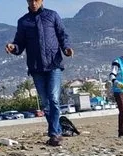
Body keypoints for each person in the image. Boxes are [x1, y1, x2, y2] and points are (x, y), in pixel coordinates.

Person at [5, 0, 73, 146]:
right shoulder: (23, 21)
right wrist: (13, 47)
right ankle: (57, 131)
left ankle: (54, 133)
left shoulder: (52, 15)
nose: (33, 3)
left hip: (54, 64)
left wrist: (66, 48)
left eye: (36, 0)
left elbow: (62, 35)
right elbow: (19, 44)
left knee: (54, 99)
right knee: (46, 103)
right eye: (31, 0)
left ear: (41, 0)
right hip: (36, 67)